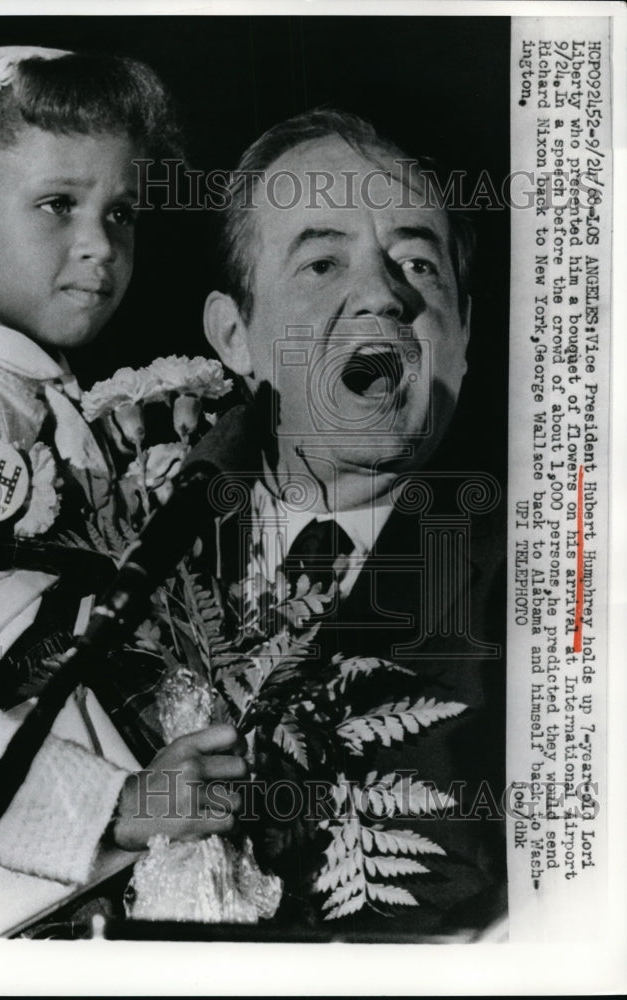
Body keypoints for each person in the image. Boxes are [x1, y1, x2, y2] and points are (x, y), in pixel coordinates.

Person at [0, 47, 245, 932]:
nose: (101, 245)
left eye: (119, 212)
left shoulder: (55, 403)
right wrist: (109, 805)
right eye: (57, 205)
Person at [203, 109, 507, 937]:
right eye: (322, 262)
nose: (383, 295)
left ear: (463, 337)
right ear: (235, 335)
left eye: (418, 263)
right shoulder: (131, 546)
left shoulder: (550, 588)